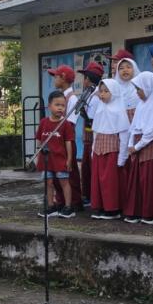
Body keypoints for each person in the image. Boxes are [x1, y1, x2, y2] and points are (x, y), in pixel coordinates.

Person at [124, 71, 153, 224]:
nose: (137, 93)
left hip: (150, 145)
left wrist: (137, 146)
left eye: (139, 89)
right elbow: (134, 126)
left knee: (148, 180)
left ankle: (149, 213)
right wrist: (130, 144)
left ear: (148, 87)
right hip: (137, 145)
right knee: (137, 180)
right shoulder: (142, 105)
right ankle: (136, 211)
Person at [89, 79, 130, 220]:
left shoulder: (119, 110)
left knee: (110, 181)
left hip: (112, 150)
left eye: (106, 91)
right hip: (99, 150)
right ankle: (100, 206)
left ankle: (113, 209)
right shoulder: (99, 108)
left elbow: (124, 135)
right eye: (101, 91)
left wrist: (122, 157)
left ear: (114, 92)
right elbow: (95, 132)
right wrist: (93, 150)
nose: (102, 94)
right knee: (99, 181)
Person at [47, 64, 83, 212]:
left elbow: (71, 122)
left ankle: (74, 202)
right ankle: (61, 200)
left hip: (66, 140)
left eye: (56, 76)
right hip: (57, 140)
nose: (54, 79)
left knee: (70, 172)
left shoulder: (72, 98)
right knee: (56, 172)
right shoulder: (61, 96)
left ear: (63, 78)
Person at [35, 91, 76, 219]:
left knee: (64, 181)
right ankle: (51, 206)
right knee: (49, 182)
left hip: (60, 159)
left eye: (63, 105)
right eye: (57, 104)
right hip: (46, 160)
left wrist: (69, 159)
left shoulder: (66, 124)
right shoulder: (43, 122)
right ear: (49, 106)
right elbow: (39, 140)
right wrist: (37, 157)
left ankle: (68, 207)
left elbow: (68, 143)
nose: (60, 108)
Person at [77, 61, 104, 206]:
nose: (84, 81)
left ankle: (91, 195)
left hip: (92, 137)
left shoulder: (95, 97)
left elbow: (92, 121)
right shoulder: (88, 94)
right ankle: (87, 194)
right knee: (86, 167)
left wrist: (84, 115)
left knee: (90, 168)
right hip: (87, 137)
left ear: (90, 79)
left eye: (85, 77)